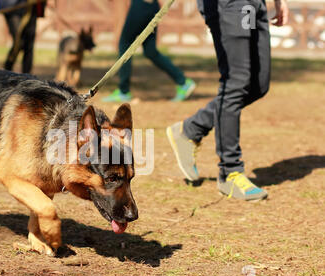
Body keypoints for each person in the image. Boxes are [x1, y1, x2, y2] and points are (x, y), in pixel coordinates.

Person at [166, 0, 289, 201]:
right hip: (229, 4)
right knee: (236, 80)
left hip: (255, 4)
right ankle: (230, 172)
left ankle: (190, 129)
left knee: (258, 85)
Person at [103, 0, 196, 103]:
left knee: (124, 43)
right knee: (150, 51)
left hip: (140, 5)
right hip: (153, 6)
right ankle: (183, 82)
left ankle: (123, 91)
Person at [0, 0, 46, 73]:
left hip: (32, 7)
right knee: (19, 42)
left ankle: (28, 76)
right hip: (14, 7)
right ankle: (6, 71)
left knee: (29, 45)